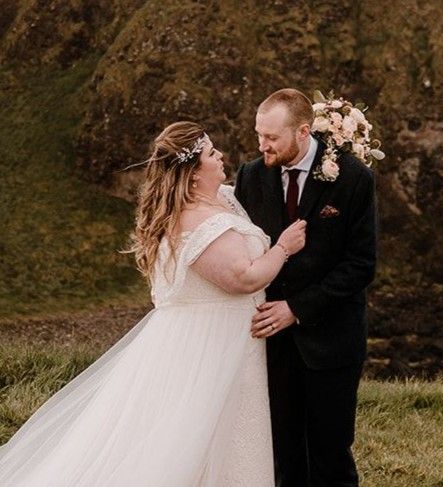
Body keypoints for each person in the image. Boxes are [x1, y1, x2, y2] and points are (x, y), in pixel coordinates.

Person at [0, 121, 307, 486]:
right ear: (192, 174)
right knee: (195, 439)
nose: (221, 156)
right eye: (211, 153)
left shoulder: (220, 199)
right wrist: (283, 248)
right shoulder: (194, 221)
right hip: (210, 348)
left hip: (231, 342)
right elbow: (244, 278)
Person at [235, 88, 377, 487]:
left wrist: (295, 308)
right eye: (258, 134)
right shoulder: (250, 175)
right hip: (271, 344)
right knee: (282, 455)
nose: (262, 145)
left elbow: (361, 264)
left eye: (271, 138)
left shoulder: (353, 178)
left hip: (332, 341)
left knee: (330, 456)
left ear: (302, 132)